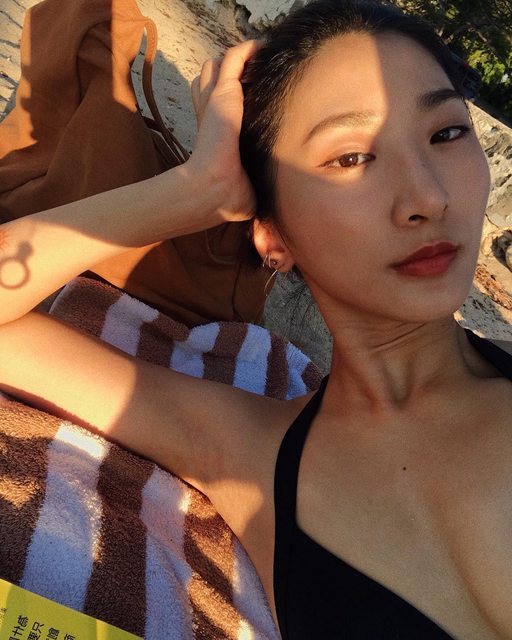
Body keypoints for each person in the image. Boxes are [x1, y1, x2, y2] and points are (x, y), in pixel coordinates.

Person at [0, 0, 510, 637]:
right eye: (350, 157)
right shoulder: (248, 450)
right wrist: (195, 192)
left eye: (446, 133)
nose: (428, 198)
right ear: (272, 236)